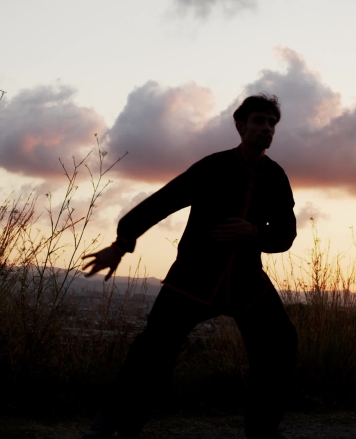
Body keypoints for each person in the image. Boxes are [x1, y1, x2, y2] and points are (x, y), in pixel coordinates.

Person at [81, 94, 298, 439]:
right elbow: (162, 202)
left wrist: (254, 233)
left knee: (280, 343)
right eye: (259, 121)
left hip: (245, 284)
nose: (267, 129)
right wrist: (122, 244)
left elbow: (286, 235)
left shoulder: (276, 177)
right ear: (241, 126)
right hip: (193, 279)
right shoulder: (213, 167)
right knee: (151, 352)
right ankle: (115, 424)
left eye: (272, 123)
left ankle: (263, 431)